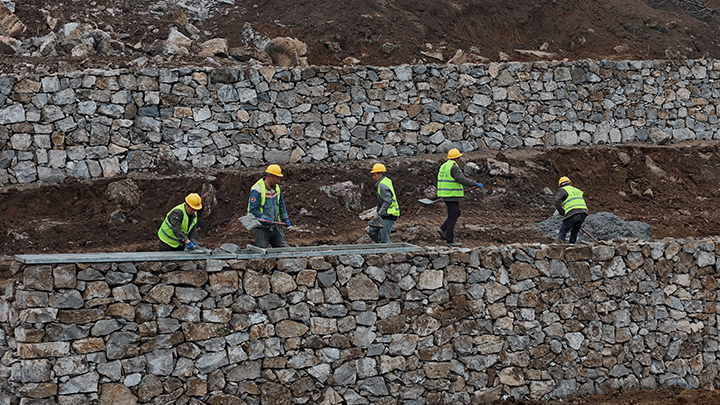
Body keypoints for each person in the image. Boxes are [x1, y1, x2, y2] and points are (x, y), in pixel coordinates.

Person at [437, 148, 483, 246]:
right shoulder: (454, 167)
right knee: (453, 216)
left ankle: (442, 228)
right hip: (451, 195)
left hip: (445, 194)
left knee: (456, 213)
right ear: (457, 158)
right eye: (459, 157)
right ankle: (450, 240)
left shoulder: (444, 166)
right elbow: (460, 178)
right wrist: (474, 183)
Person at [247, 164, 291, 248]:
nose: (278, 181)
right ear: (270, 176)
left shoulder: (276, 188)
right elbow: (253, 210)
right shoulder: (257, 190)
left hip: (275, 227)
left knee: (283, 251)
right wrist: (264, 218)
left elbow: (281, 203)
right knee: (262, 253)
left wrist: (284, 217)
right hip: (261, 228)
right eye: (277, 178)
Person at [368, 163, 400, 243]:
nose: (373, 177)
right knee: (372, 231)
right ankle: (385, 247)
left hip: (389, 215)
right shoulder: (386, 181)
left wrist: (379, 214)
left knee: (383, 239)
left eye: (375, 175)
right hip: (385, 214)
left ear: (380, 174)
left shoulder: (383, 186)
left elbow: (387, 201)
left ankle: (388, 252)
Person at [555, 176, 589, 244]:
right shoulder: (577, 190)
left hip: (573, 212)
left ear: (560, 185)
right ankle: (571, 246)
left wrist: (562, 212)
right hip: (583, 212)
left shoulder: (563, 190)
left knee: (563, 231)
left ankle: (559, 247)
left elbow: (557, 200)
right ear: (569, 183)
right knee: (575, 231)